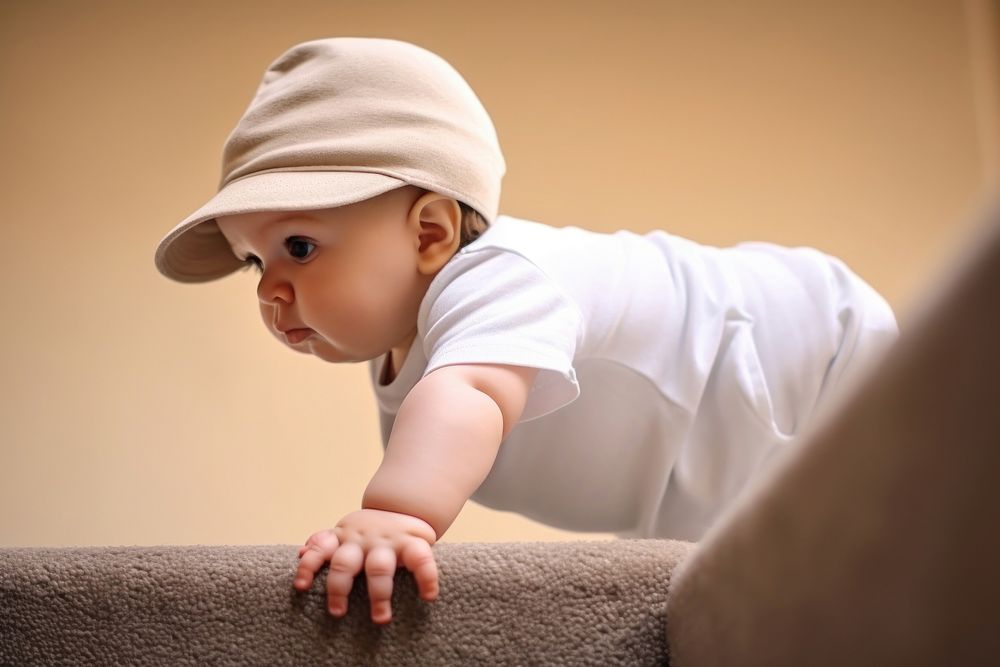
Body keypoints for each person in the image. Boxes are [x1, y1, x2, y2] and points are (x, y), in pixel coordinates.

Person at [154, 37, 897, 625]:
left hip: (806, 355)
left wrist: (394, 516)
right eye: (254, 262)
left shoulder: (500, 275)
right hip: (704, 478)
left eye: (299, 247)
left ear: (432, 232)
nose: (271, 287)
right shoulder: (406, 357)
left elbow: (473, 391)